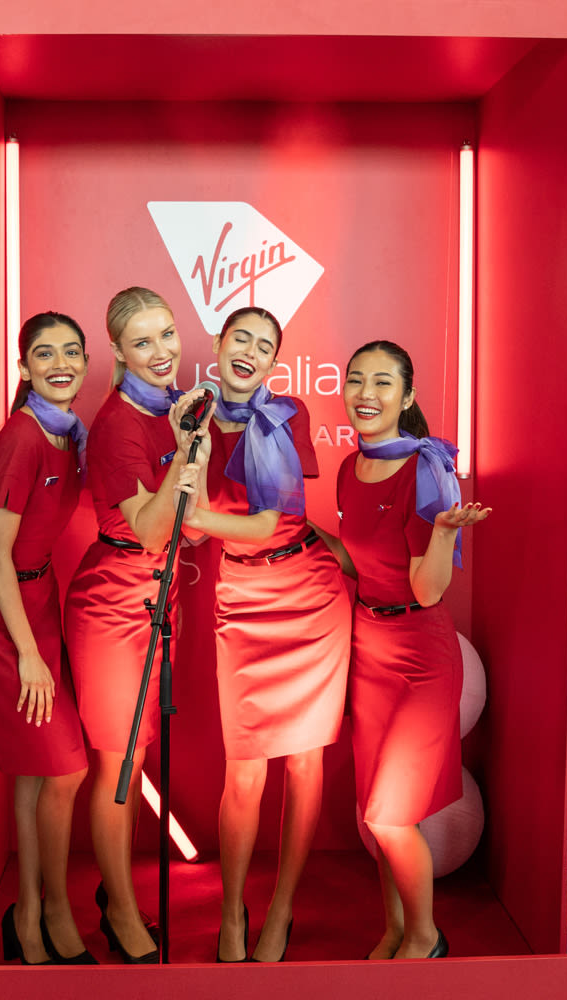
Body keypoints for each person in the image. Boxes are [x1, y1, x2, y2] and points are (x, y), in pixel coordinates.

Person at [171, 307, 351, 963]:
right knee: (244, 774)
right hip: (242, 598)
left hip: (309, 595)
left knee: (305, 764)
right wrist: (187, 449)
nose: (250, 351)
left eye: (265, 345)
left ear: (276, 362)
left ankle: (281, 911)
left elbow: (273, 515)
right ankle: (231, 914)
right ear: (218, 346)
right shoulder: (191, 422)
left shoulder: (287, 415)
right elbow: (189, 534)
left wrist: (201, 510)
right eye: (240, 338)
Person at [319, 339, 490, 961]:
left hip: (420, 656)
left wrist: (443, 531)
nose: (366, 394)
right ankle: (394, 928)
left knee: (394, 816)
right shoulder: (347, 466)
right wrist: (297, 532)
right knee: (378, 814)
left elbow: (425, 588)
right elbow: (361, 563)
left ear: (407, 397)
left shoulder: (427, 469)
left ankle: (425, 937)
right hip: (371, 651)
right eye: (356, 380)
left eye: (383, 383)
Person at [63, 287, 209, 964]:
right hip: (114, 603)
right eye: (142, 342)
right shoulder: (121, 424)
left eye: (168, 335)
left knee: (136, 755)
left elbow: (185, 523)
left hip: (156, 600)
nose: (161, 352)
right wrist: (186, 452)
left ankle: (117, 895)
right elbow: (151, 533)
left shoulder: (174, 409)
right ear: (117, 353)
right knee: (118, 765)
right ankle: (120, 910)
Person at [0, 312, 97, 966]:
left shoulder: (71, 435)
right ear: (24, 368)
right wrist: (31, 656)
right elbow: (0, 555)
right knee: (65, 768)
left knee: (36, 774)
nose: (60, 362)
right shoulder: (23, 438)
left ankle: (31, 916)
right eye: (45, 353)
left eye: (71, 351)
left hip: (39, 596)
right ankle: (50, 909)